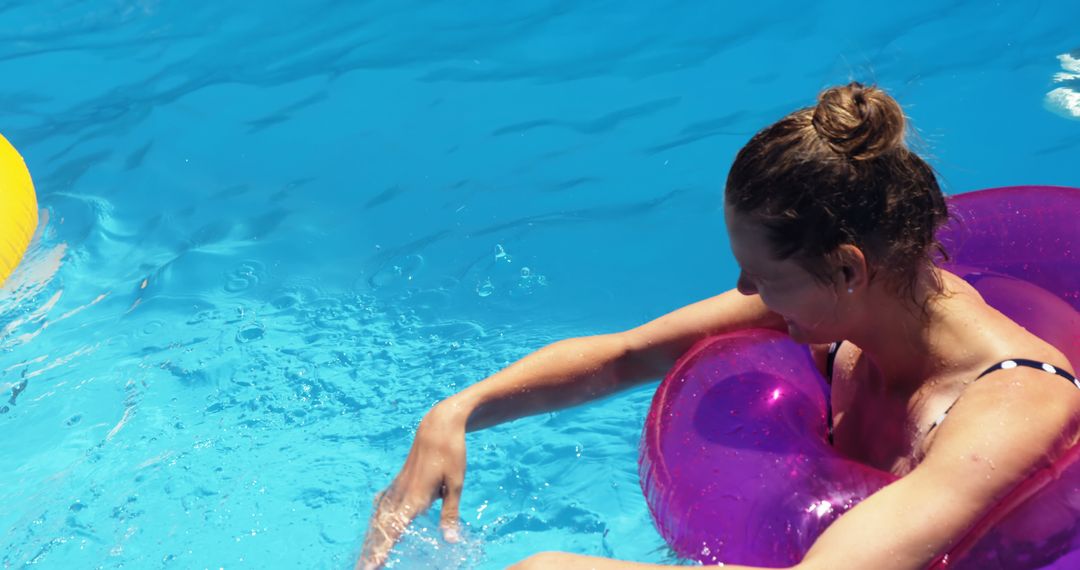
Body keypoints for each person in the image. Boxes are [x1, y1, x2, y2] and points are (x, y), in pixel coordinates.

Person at [357, 83, 1080, 570]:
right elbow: (622, 356)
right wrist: (455, 414)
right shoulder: (847, 306)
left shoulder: (1014, 406)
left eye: (761, 276)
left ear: (849, 269)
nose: (743, 294)